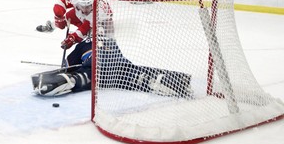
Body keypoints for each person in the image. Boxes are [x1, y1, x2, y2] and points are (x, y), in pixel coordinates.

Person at [32, 37, 193, 98]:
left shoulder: (82, 45)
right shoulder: (111, 41)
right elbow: (122, 60)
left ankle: (54, 83)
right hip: (119, 70)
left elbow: (68, 66)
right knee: (138, 77)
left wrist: (68, 68)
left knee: (78, 78)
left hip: (97, 69)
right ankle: (173, 81)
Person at [36, 0, 114, 50]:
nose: (84, 10)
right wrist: (58, 16)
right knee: (67, 17)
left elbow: (83, 28)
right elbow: (61, 2)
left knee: (95, 33)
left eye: (87, 7)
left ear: (92, 5)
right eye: (82, 7)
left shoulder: (99, 12)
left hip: (104, 19)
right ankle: (52, 26)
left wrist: (72, 38)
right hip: (88, 17)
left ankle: (99, 37)